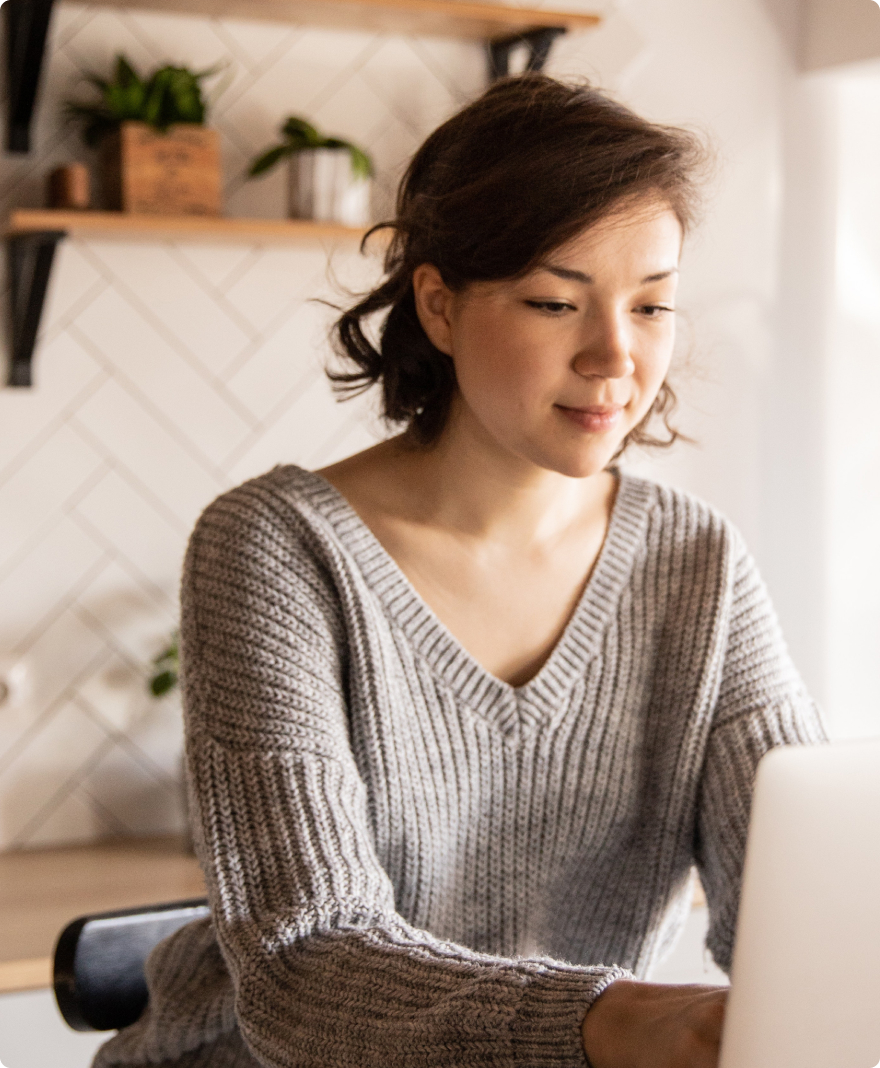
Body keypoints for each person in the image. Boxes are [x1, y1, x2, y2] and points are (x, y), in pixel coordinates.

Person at [94, 74, 825, 1068]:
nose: (615, 356)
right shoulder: (275, 549)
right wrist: (605, 1022)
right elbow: (304, 967)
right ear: (438, 306)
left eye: (652, 306)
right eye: (554, 301)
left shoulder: (696, 564)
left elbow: (806, 898)